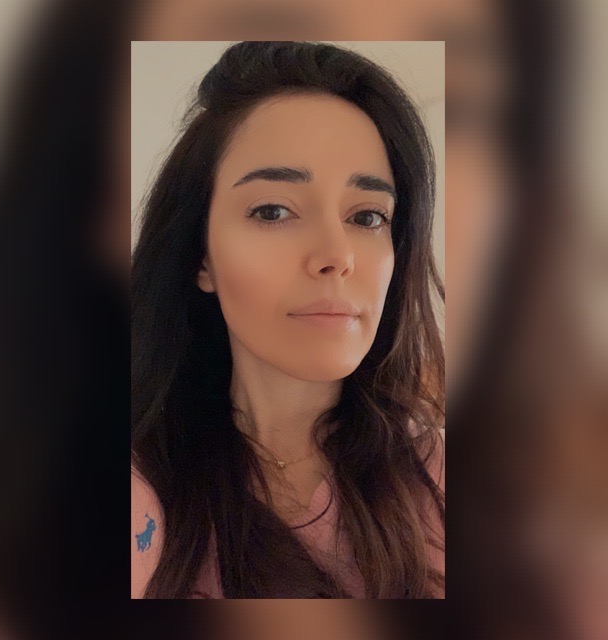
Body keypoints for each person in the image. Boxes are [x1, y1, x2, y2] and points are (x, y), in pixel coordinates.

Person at [131, 41, 444, 599]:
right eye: (273, 210)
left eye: (368, 216)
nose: (337, 255)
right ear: (201, 257)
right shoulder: (144, 483)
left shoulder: (440, 474)